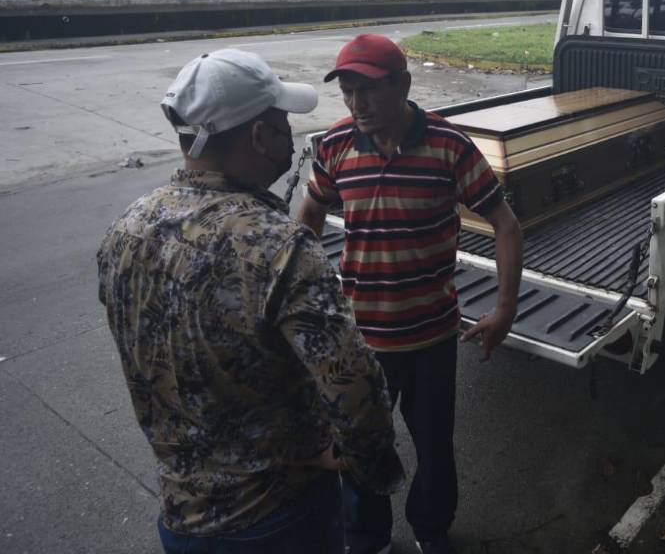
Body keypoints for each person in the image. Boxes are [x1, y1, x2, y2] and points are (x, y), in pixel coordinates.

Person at [97, 48, 405, 554]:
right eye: (282, 123)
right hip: (280, 518)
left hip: (180, 518)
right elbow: (354, 387)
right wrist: (368, 464)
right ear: (260, 135)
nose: (289, 136)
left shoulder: (126, 229)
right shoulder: (278, 246)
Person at [298, 34, 523, 554]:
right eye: (348, 91)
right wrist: (307, 299)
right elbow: (310, 215)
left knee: (434, 448)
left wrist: (505, 309)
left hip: (431, 338)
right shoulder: (335, 145)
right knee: (359, 445)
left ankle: (431, 528)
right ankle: (368, 535)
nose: (357, 104)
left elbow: (505, 224)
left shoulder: (449, 147)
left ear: (402, 84)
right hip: (360, 341)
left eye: (369, 90)